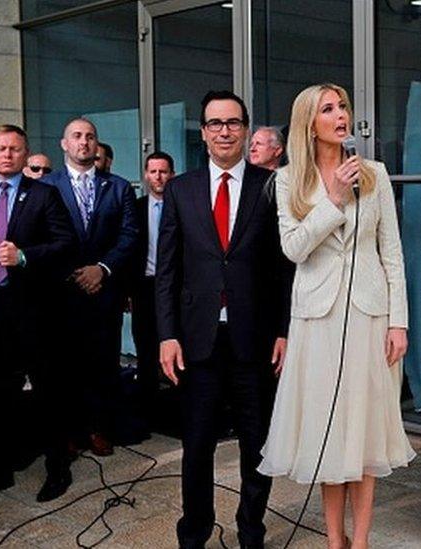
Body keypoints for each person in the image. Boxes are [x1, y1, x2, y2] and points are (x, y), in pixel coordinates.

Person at [257, 83, 414, 549]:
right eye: (328, 109)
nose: (340, 114)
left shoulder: (376, 174)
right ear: (310, 122)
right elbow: (294, 248)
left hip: (370, 316)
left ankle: (360, 541)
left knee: (364, 433)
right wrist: (335, 200)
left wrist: (399, 321)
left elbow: (393, 254)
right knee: (330, 432)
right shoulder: (288, 181)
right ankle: (333, 539)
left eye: (342, 106)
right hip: (317, 321)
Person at [156, 90, 292, 549]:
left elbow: (282, 268)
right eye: (215, 123)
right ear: (204, 131)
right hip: (197, 340)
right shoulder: (180, 188)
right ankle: (193, 533)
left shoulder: (271, 185)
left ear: (246, 128)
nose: (224, 131)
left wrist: (284, 330)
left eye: (233, 123)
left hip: (254, 339)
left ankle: (251, 530)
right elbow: (167, 270)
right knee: (197, 447)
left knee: (258, 447)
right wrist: (167, 335)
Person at [0, 125, 76, 504]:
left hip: (35, 309)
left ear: (26, 155)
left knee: (49, 390)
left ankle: (58, 468)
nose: (8, 155)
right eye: (1, 149)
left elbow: (66, 244)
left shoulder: (45, 194)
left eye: (15, 149)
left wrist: (25, 256)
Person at [43, 118, 138, 457]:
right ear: (64, 143)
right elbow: (43, 236)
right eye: (77, 136)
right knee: (65, 366)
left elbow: (129, 235)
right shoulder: (46, 186)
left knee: (104, 362)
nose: (84, 142)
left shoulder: (119, 187)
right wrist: (74, 272)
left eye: (90, 137)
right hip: (63, 294)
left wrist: (102, 268)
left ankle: (100, 428)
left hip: (104, 291)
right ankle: (70, 432)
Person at [129, 151, 174, 430]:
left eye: (164, 171)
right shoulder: (135, 208)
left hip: (174, 288)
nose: (158, 177)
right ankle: (147, 415)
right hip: (144, 287)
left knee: (175, 347)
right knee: (145, 350)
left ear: (172, 174)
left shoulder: (182, 205)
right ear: (146, 175)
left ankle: (175, 413)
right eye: (153, 171)